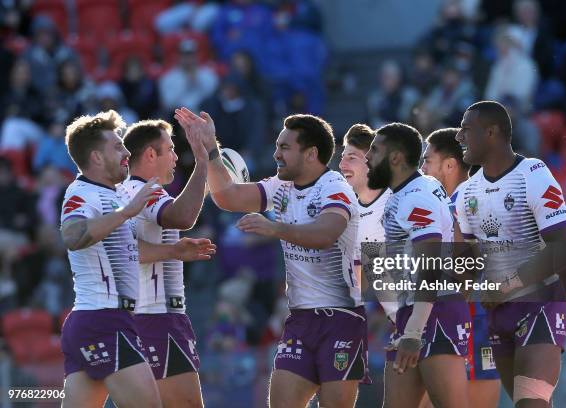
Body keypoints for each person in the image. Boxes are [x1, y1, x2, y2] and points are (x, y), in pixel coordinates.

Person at [181, 106, 368, 408]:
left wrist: (274, 228)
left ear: (311, 154)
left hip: (341, 319)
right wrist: (212, 150)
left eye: (284, 147)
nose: (276, 155)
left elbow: (325, 233)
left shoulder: (335, 188)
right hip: (300, 319)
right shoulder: (281, 186)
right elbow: (227, 196)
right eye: (277, 147)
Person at [59, 110, 215, 408]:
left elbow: (131, 250)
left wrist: (172, 251)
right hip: (103, 319)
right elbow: (72, 236)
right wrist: (127, 213)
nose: (126, 152)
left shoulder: (116, 195)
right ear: (96, 158)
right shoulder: (81, 192)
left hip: (100, 320)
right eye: (117, 147)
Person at [454, 100, 566, 407]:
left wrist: (506, 285)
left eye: (466, 130)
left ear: (491, 132)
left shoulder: (532, 174)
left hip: (539, 306)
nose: (459, 137)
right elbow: (469, 260)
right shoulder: (467, 192)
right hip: (497, 314)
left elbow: (564, 249)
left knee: (530, 404)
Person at [365, 123, 470, 408]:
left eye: (374, 150)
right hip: (415, 312)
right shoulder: (415, 189)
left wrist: (413, 331)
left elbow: (431, 261)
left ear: (396, 157)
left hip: (434, 313)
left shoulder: (415, 196)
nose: (367, 157)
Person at [118, 112, 212, 407]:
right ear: (149, 154)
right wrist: (203, 162)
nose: (175, 156)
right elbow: (182, 218)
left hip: (138, 316)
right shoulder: (143, 191)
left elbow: (126, 249)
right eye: (170, 148)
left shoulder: (122, 192)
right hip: (156, 318)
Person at [420, 128, 501, 408]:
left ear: (450, 165)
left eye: (427, 161)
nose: (421, 168)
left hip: (471, 317)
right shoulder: (439, 205)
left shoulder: (467, 202)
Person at [338, 124, 394, 320]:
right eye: (342, 157)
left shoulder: (401, 199)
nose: (342, 165)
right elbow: (358, 285)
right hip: (402, 327)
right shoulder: (350, 217)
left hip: (434, 317)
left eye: (351, 158)